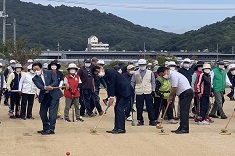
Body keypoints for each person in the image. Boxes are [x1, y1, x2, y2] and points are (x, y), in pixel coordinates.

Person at [92, 66, 133, 134]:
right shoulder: (105, 76)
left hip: (126, 91)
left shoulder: (111, 71)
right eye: (96, 73)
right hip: (120, 93)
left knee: (120, 108)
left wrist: (111, 97)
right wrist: (109, 98)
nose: (98, 74)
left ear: (101, 69)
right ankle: (116, 127)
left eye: (98, 72)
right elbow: (109, 87)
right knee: (116, 108)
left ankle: (121, 128)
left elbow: (112, 84)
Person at [32, 62, 63, 135]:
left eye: (37, 69)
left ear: (41, 68)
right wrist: (45, 87)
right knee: (42, 112)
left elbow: (55, 81)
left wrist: (50, 86)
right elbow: (39, 86)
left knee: (52, 112)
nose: (36, 71)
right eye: (34, 70)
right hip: (44, 95)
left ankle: (51, 129)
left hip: (54, 94)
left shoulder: (49, 72)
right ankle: (46, 128)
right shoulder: (34, 78)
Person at [131, 59, 157, 126]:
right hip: (139, 92)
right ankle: (140, 121)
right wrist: (131, 90)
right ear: (139, 65)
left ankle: (152, 120)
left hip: (148, 91)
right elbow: (132, 82)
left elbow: (153, 82)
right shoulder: (135, 73)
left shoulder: (150, 72)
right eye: (141, 65)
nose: (142, 66)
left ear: (146, 65)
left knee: (150, 107)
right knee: (139, 107)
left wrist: (153, 90)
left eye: (143, 65)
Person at [167, 70, 193, 134]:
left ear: (166, 71)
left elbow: (174, 88)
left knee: (184, 111)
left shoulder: (173, 75)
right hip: (183, 93)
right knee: (182, 111)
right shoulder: (173, 75)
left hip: (186, 92)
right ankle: (181, 127)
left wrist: (170, 96)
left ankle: (185, 128)